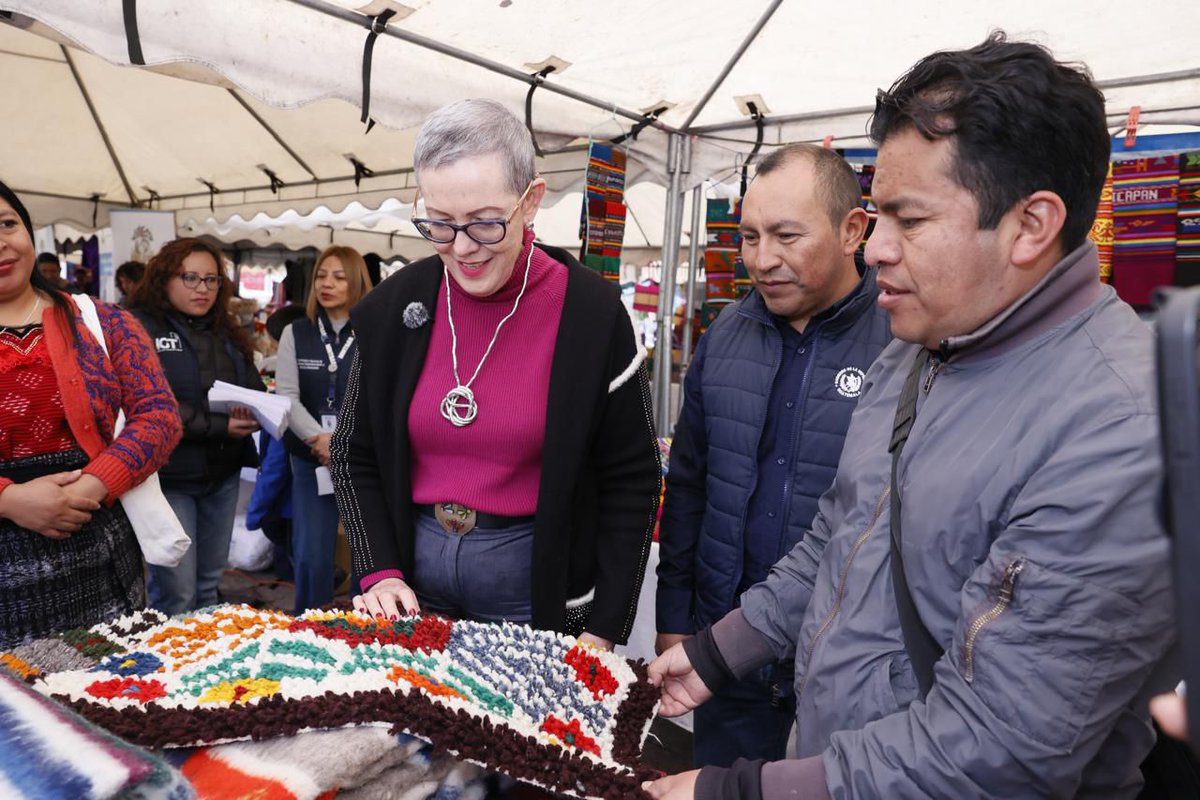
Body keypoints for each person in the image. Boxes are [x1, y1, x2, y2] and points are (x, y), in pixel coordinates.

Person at [645, 33, 1176, 799]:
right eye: (878, 217)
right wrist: (717, 654)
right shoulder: (920, 345)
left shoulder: (1119, 431)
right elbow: (838, 534)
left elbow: (999, 750)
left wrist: (740, 792)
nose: (875, 251)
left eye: (911, 220)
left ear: (1031, 225)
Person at [332, 99, 660, 650]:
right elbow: (352, 452)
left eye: (485, 223)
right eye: (439, 224)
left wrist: (605, 626)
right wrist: (379, 569)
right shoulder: (391, 309)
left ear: (531, 201)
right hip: (412, 583)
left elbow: (633, 478)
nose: (462, 249)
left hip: (537, 589)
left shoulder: (592, 315)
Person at [655, 143, 891, 767]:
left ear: (853, 230)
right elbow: (689, 488)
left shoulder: (902, 345)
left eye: (787, 236)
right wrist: (676, 614)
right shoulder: (724, 337)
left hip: (844, 669)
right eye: (750, 237)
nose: (763, 259)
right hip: (726, 659)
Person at [0, 182, 181, 647]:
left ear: (28, 230)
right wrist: (9, 500)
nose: (1, 243)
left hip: (98, 548)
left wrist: (94, 485)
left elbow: (158, 416)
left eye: (7, 224)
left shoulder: (104, 320)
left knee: (111, 679)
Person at [130, 238, 264, 616]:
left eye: (211, 280)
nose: (202, 288)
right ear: (164, 278)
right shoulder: (139, 327)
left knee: (208, 585)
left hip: (223, 475)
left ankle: (202, 650)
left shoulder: (226, 330)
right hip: (169, 477)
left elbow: (252, 385)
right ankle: (165, 652)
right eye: (190, 277)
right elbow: (151, 402)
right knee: (177, 593)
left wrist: (258, 409)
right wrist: (219, 426)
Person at [276, 245, 373, 613]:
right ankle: (309, 627)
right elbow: (287, 396)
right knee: (311, 556)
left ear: (357, 282)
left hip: (361, 460)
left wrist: (343, 441)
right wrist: (320, 440)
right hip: (311, 457)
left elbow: (378, 396)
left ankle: (365, 629)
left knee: (368, 555)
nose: (326, 284)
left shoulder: (374, 330)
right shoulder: (296, 332)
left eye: (339, 277)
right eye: (320, 275)